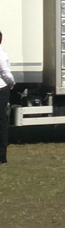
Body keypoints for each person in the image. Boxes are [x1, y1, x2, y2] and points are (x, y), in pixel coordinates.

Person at [0, 30, 15, 164]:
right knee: (2, 122)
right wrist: (11, 82)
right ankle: (2, 156)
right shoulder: (1, 52)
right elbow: (5, 71)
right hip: (1, 89)